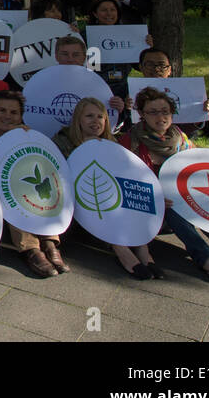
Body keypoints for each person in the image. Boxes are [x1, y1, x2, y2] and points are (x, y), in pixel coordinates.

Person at [122, 88, 209, 285]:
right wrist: (152, 197)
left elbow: (197, 165)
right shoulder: (130, 140)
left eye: (165, 111)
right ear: (141, 114)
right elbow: (122, 181)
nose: (161, 117)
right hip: (151, 208)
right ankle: (207, 258)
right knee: (174, 208)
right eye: (153, 112)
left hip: (181, 199)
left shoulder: (180, 138)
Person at [54, 97, 162, 281]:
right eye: (89, 116)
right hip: (79, 203)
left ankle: (144, 251)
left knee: (132, 199)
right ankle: (122, 252)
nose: (95, 121)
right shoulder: (62, 141)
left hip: (112, 196)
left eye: (100, 117)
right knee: (104, 203)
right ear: (78, 119)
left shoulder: (112, 144)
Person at [0, 90, 66, 277]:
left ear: (20, 116)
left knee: (45, 185)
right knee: (13, 193)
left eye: (14, 113)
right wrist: (11, 138)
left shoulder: (27, 136)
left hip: (25, 188)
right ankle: (31, 250)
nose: (7, 117)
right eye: (2, 110)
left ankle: (50, 243)